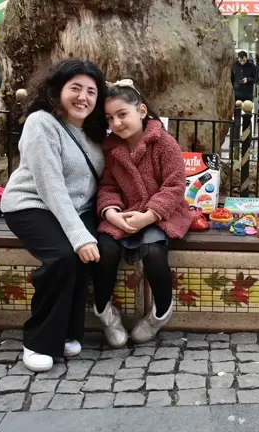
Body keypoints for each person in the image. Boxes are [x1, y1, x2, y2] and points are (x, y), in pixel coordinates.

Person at [0, 59, 107, 372]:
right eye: (75, 88)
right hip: (31, 205)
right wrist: (78, 236)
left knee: (90, 257)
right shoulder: (40, 123)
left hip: (75, 209)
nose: (83, 97)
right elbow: (51, 187)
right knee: (62, 256)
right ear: (57, 89)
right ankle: (38, 341)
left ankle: (68, 333)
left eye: (91, 91)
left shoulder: (92, 133)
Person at [93, 79, 191, 346]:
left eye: (122, 114)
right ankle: (104, 312)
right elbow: (109, 185)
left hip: (161, 213)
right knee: (105, 251)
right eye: (110, 118)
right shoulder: (112, 148)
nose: (116, 123)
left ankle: (160, 312)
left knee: (154, 252)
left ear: (142, 111)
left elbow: (174, 186)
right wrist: (111, 213)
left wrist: (149, 215)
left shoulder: (164, 143)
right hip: (123, 213)